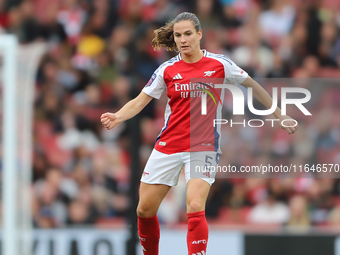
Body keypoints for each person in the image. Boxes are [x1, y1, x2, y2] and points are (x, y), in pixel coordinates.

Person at [100, 12, 298, 255]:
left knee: (194, 205)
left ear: (199, 35)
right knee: (144, 210)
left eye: (188, 34)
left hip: (202, 145)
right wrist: (118, 116)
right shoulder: (167, 69)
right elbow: (140, 101)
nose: (183, 40)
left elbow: (253, 86)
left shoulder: (219, 64)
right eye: (178, 35)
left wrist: (279, 114)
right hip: (169, 144)